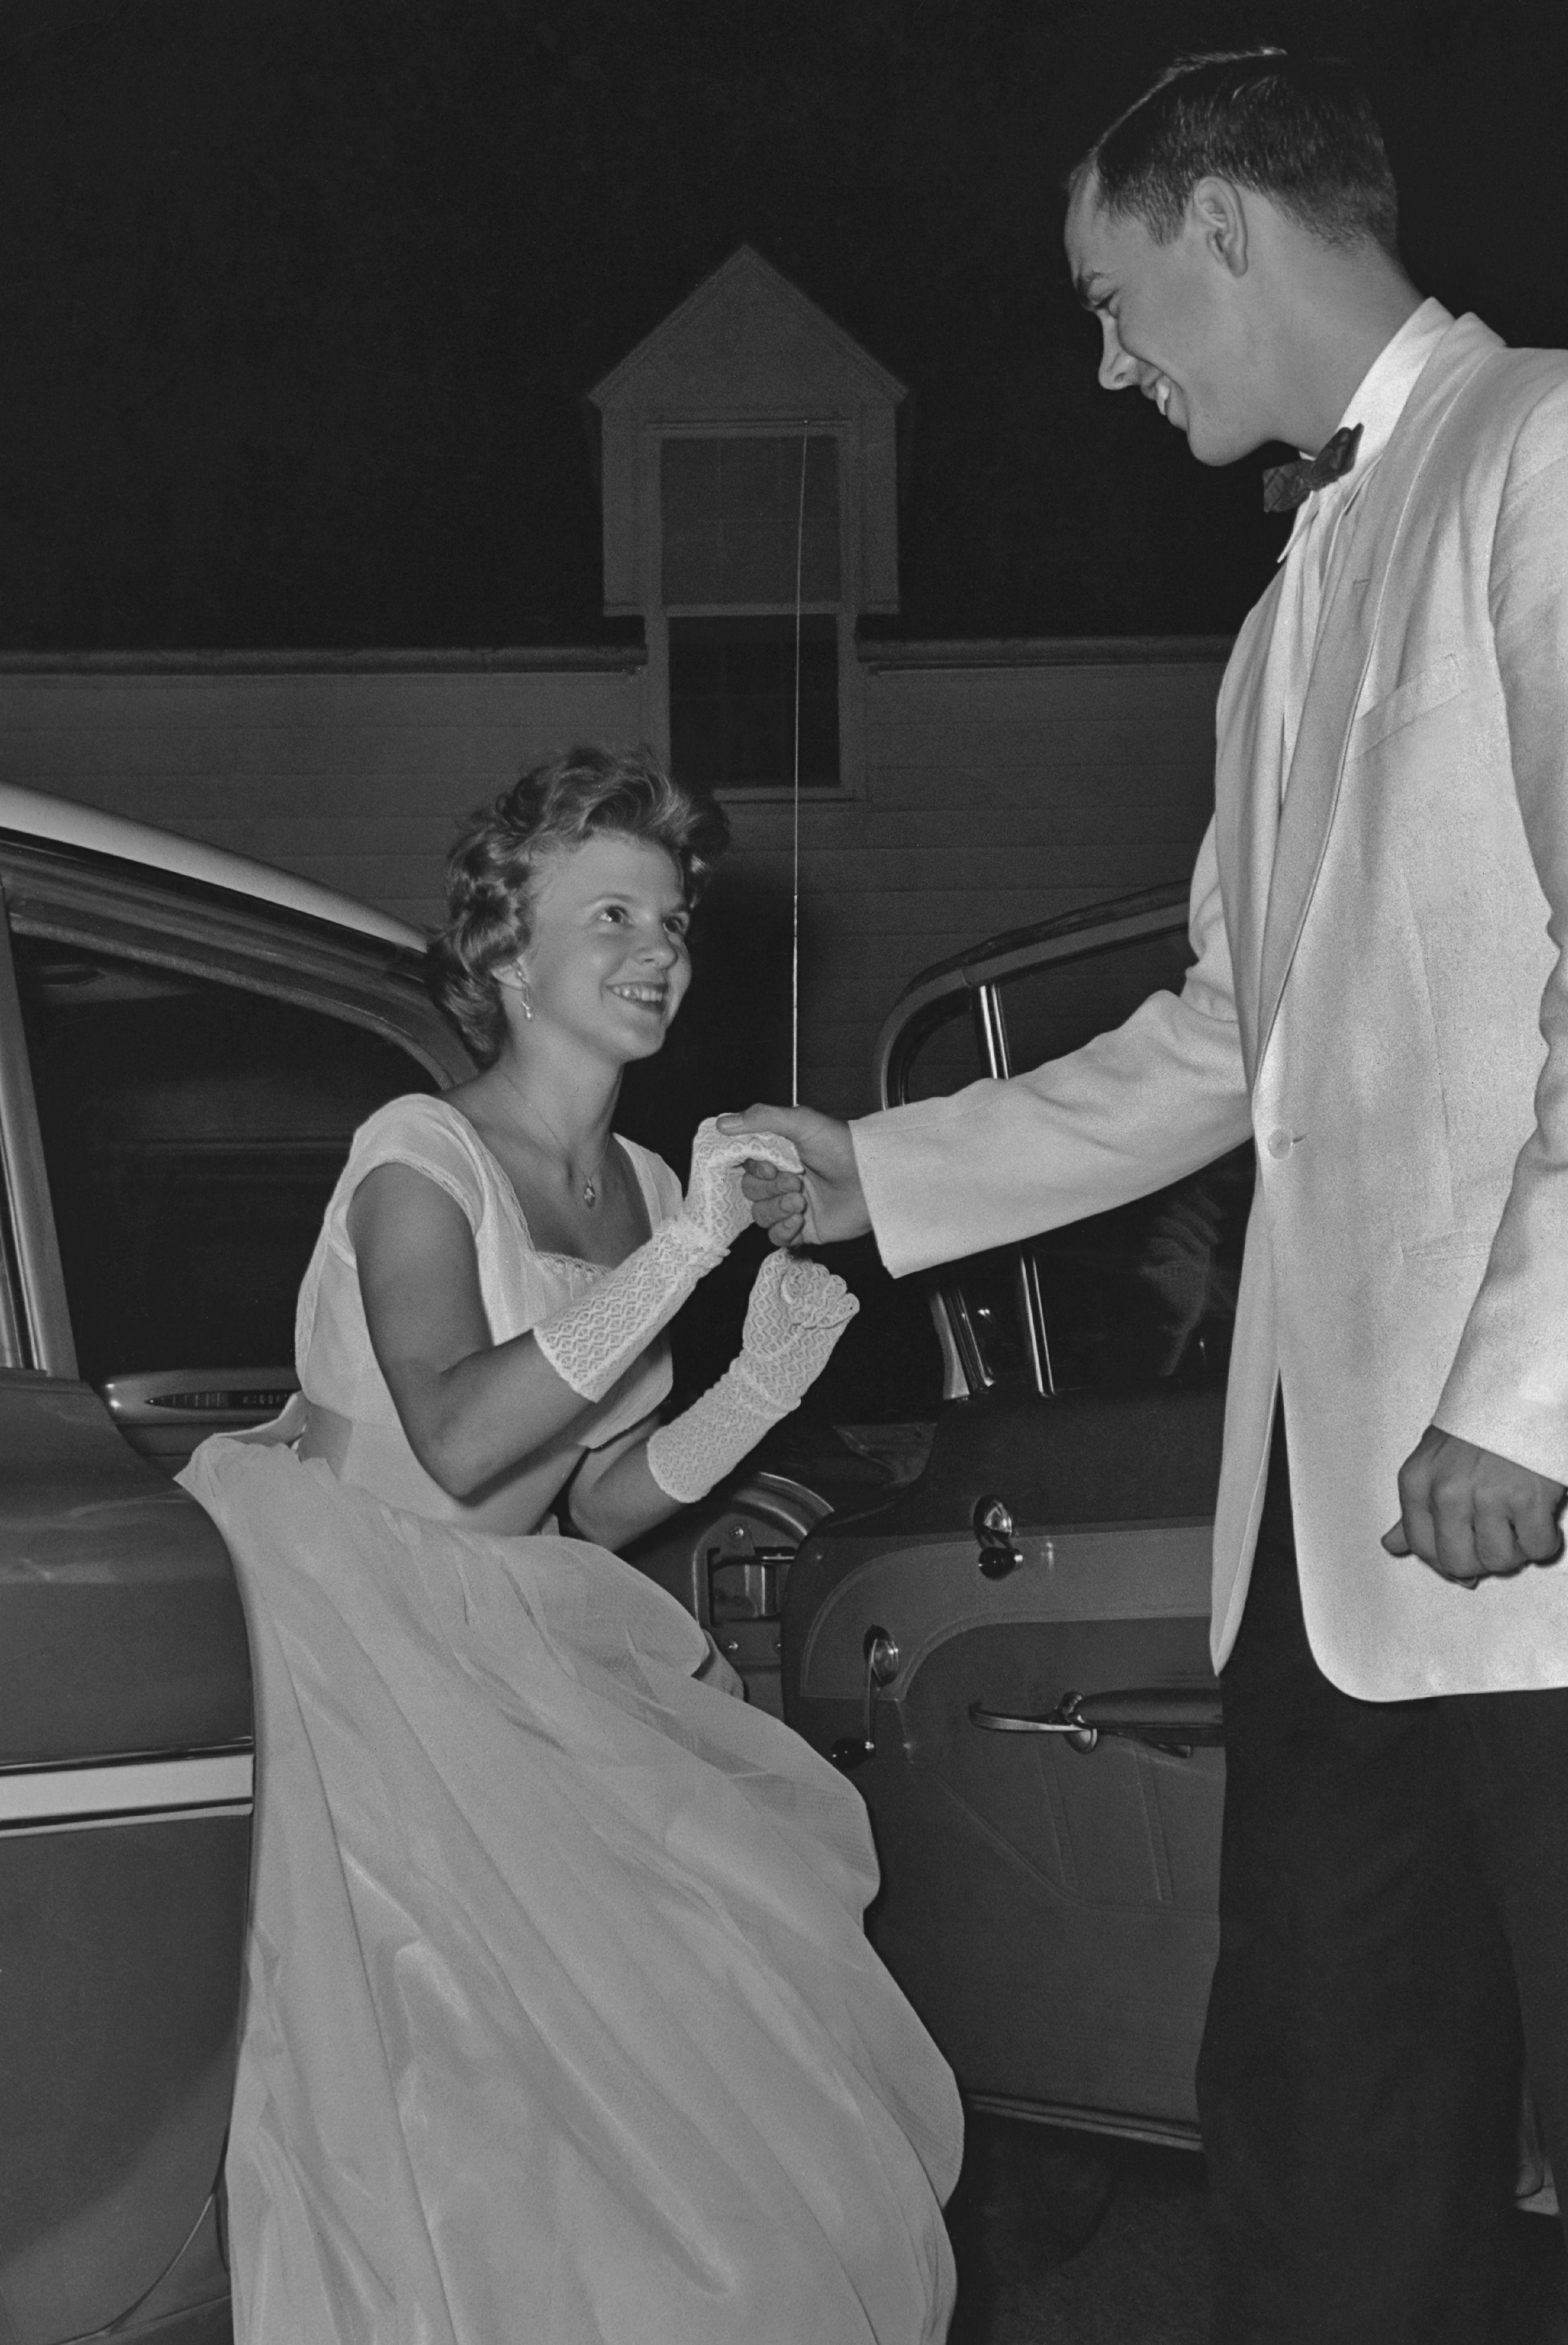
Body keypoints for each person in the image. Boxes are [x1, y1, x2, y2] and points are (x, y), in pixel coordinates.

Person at [729, 50, 1568, 2345]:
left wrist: (1541, 1401)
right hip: (1328, 1536)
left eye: (1113, 291)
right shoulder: (1277, 628)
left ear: (1228, 222)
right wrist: (889, 1170)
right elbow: (1226, 1041)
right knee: (1324, 2127)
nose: (1106, 354)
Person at [181, 746, 960, 2344]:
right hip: (355, 1643)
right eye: (607, 914)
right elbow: (462, 1435)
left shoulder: (653, 1180)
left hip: (521, 1636)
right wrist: (686, 1263)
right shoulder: (422, 1150)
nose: (657, 949)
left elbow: (596, 1500)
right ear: (505, 953)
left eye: (671, 918)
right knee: (463, 2101)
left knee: (695, 2074)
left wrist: (761, 1378)